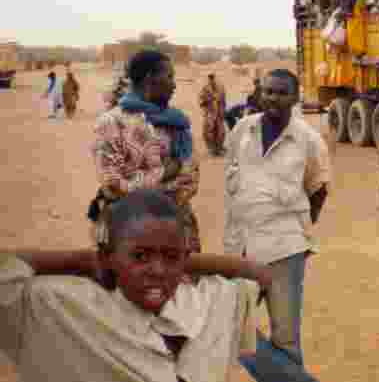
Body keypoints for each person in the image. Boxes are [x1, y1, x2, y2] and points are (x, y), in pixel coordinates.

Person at [0, 188, 280, 382]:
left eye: (170, 256)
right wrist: (83, 260)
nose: (157, 271)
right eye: (140, 256)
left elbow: (260, 276)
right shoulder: (62, 306)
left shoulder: (213, 300)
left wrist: (187, 262)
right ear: (107, 257)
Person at [224, 69, 330, 382]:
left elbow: (318, 189)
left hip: (285, 250)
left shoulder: (308, 140)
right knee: (233, 327)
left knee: (286, 340)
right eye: (268, 91)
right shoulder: (243, 130)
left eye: (282, 92)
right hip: (240, 246)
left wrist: (294, 229)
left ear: (295, 98)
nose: (273, 98)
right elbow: (234, 172)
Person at [92, 50, 202, 253]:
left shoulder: (176, 122)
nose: (174, 84)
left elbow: (190, 178)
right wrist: (164, 173)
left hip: (176, 229)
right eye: (169, 77)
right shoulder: (112, 123)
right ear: (150, 78)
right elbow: (112, 185)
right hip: (129, 230)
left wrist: (141, 182)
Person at [199, 73, 228, 157]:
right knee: (208, 131)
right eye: (210, 78)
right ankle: (212, 149)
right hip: (210, 112)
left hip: (219, 113)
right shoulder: (205, 88)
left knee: (220, 131)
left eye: (212, 78)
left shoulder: (221, 87)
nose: (211, 80)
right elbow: (201, 100)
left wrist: (222, 109)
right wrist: (207, 101)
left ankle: (219, 148)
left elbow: (223, 100)